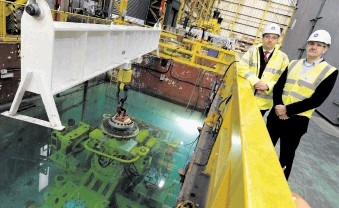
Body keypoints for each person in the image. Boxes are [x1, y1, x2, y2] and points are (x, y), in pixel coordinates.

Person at [267, 29, 338, 179]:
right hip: (276, 115)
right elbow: (279, 87)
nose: (314, 47)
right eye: (311, 43)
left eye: (319, 45)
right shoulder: (293, 64)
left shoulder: (329, 71)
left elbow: (317, 99)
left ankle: (279, 189)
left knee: (286, 158)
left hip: (296, 121)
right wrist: (279, 107)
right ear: (307, 45)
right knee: (264, 148)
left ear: (325, 49)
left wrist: (287, 110)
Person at [238, 23, 290, 115]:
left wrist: (267, 86)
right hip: (245, 97)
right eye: (267, 36)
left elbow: (283, 79)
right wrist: (256, 82)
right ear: (262, 37)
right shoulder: (252, 51)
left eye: (274, 37)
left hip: (263, 104)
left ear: (277, 40)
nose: (270, 40)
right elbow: (241, 67)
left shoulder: (283, 58)